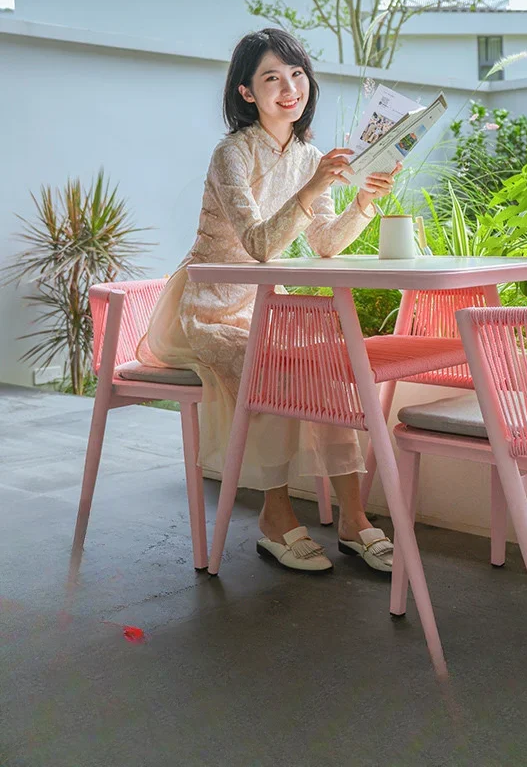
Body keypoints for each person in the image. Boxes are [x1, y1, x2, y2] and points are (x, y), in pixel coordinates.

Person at [137, 29, 401, 574]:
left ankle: (354, 518)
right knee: (267, 370)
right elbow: (257, 246)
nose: (289, 88)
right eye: (272, 78)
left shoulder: (308, 154)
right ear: (246, 93)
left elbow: (326, 242)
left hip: (262, 306)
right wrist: (309, 193)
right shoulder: (231, 152)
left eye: (297, 74)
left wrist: (364, 202)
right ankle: (275, 519)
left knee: (329, 366)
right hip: (205, 307)